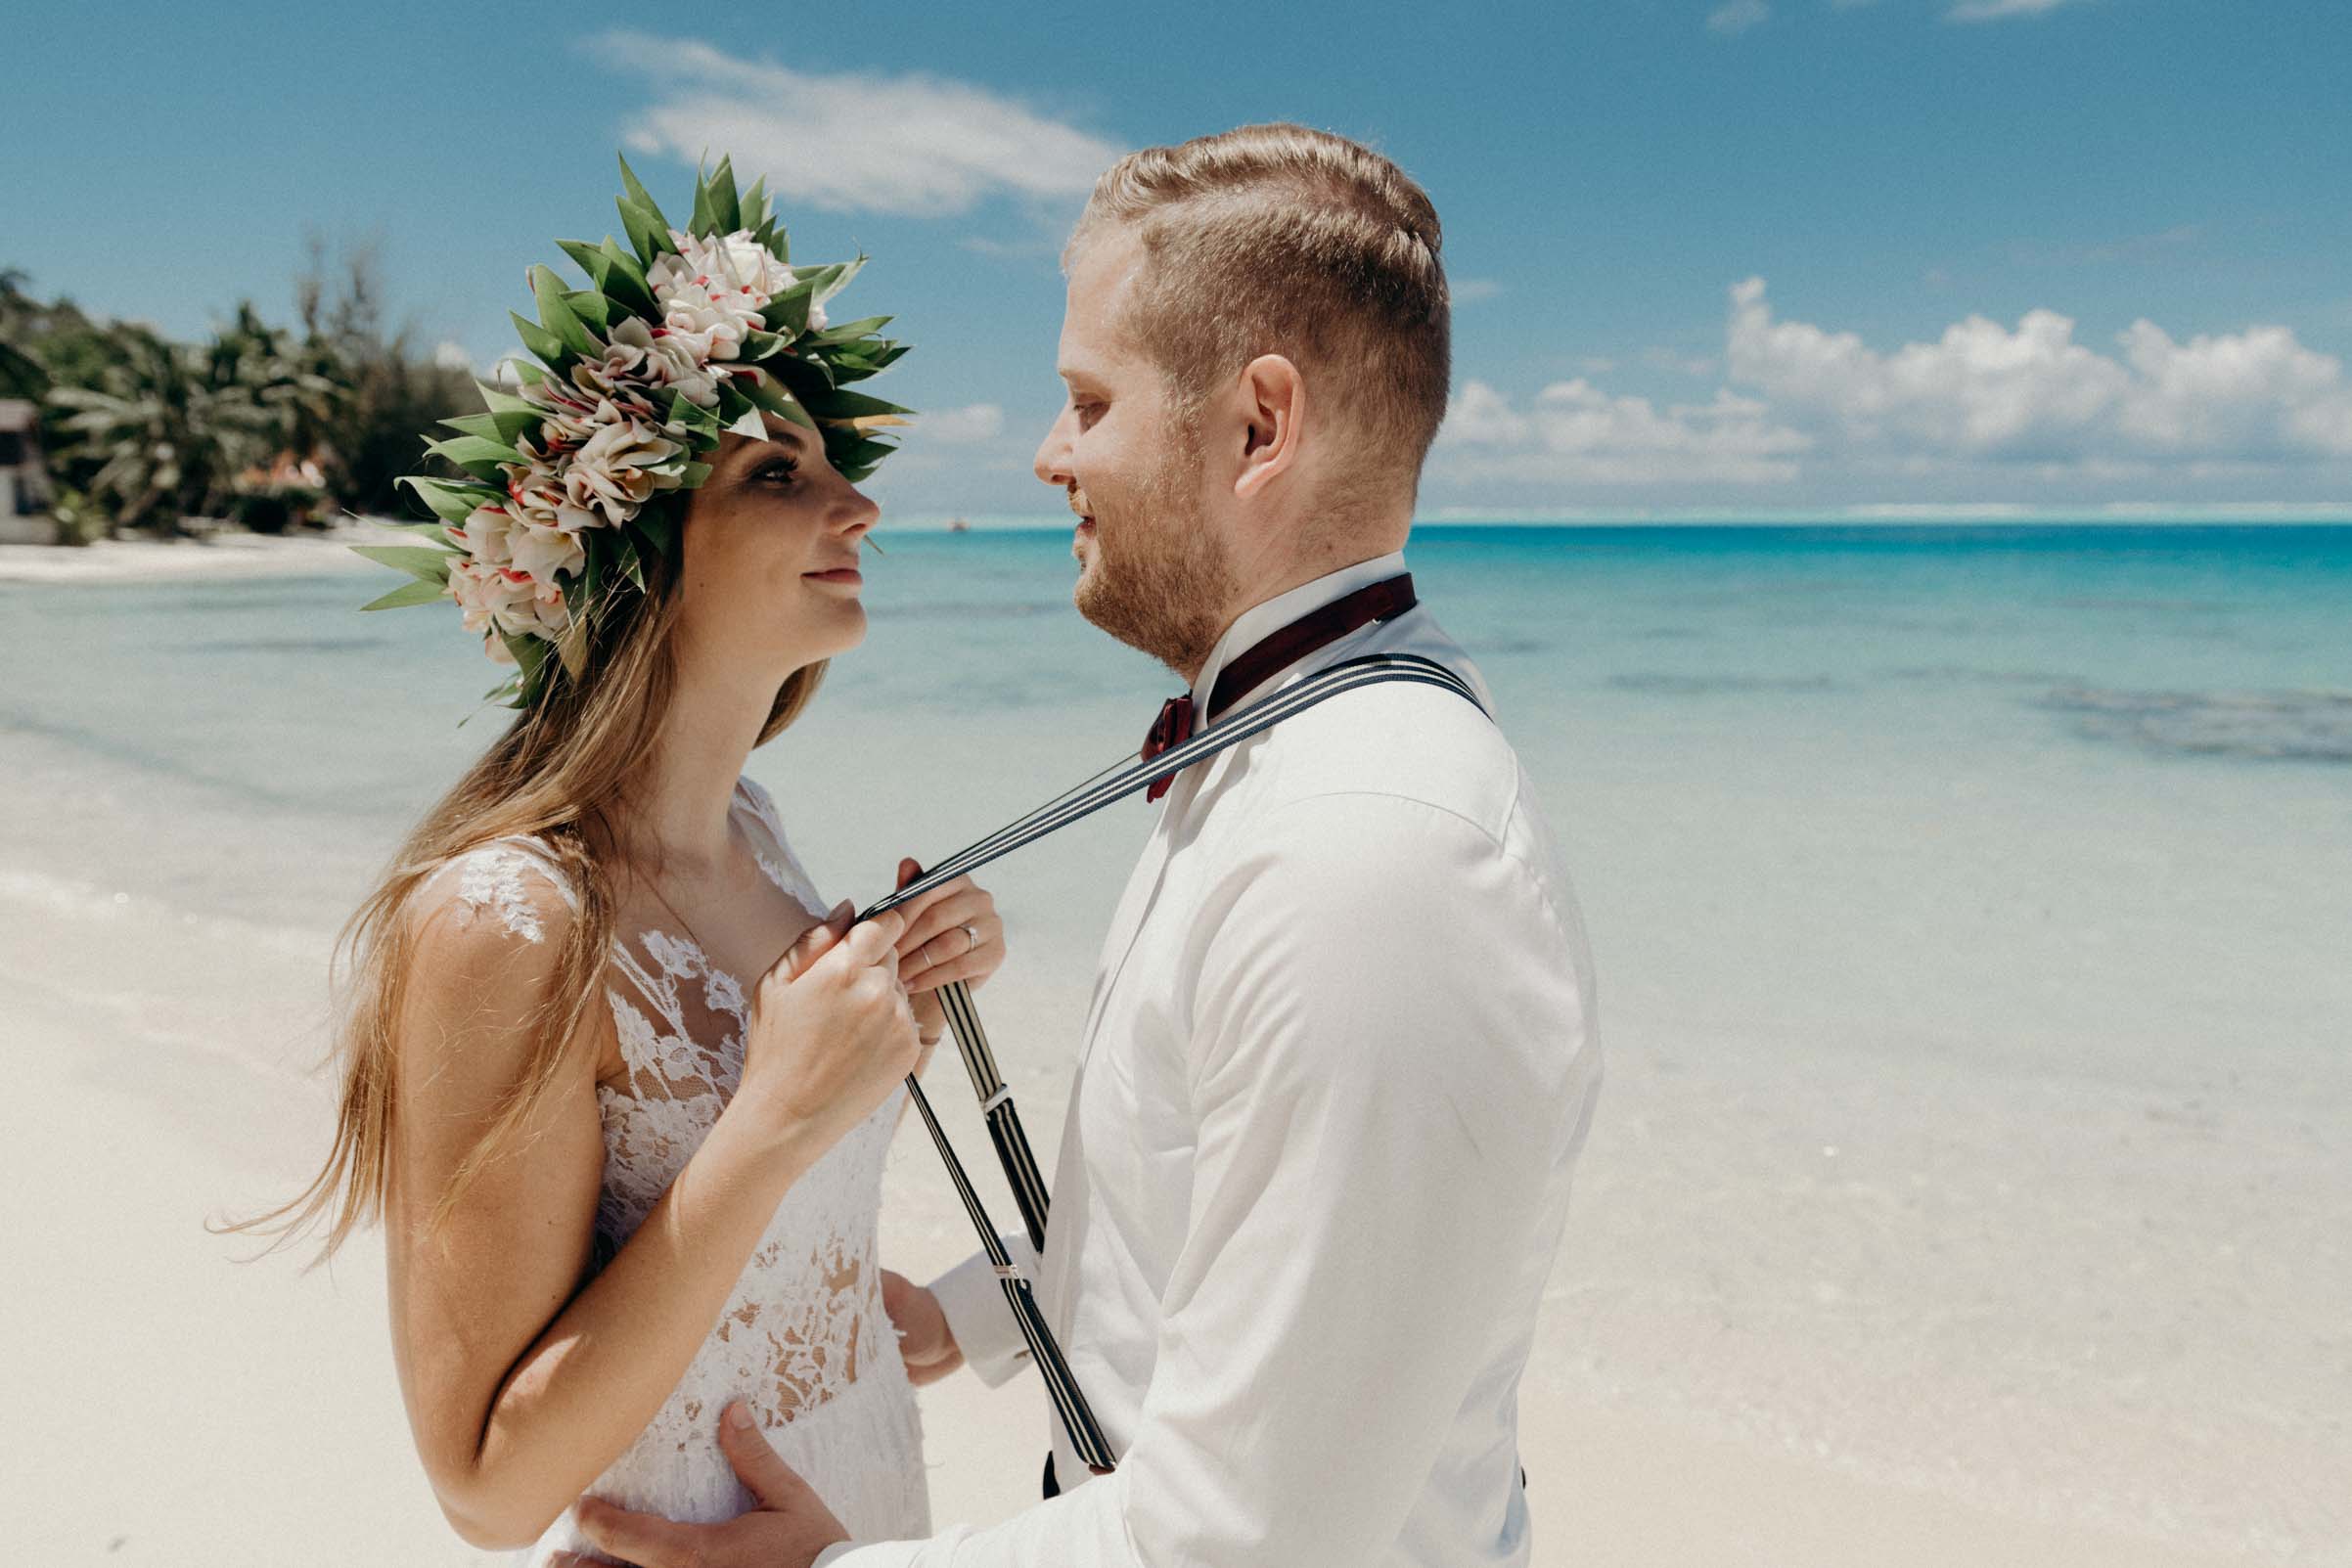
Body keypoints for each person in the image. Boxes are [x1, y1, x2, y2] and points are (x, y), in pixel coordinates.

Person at [562, 123, 1603, 1568]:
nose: (1050, 457)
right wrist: (979, 1314)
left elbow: (1247, 1545)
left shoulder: (1372, 856)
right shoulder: (1289, 752)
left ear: (1259, 426)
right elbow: (1225, 1205)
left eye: (1086, 400)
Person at [235, 160, 1006, 1564]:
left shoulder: (755, 830)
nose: (861, 509)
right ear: (630, 556)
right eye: (781, 474)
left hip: (862, 1509)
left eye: (832, 466)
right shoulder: (510, 921)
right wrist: (776, 1111)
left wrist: (899, 1028)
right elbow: (485, 1488)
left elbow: (756, 1236)